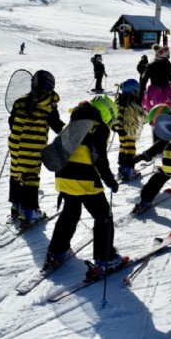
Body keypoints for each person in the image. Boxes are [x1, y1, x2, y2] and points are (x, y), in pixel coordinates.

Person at [43, 97, 123, 274]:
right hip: (84, 179)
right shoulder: (98, 127)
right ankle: (105, 259)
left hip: (63, 177)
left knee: (70, 213)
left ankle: (56, 252)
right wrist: (110, 180)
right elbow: (99, 158)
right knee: (103, 216)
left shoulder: (71, 125)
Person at [8, 70, 64, 226]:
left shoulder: (20, 101)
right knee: (30, 176)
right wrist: (70, 133)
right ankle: (30, 212)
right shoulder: (48, 104)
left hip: (15, 144)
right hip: (32, 147)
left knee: (16, 172)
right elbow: (56, 125)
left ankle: (16, 207)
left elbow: (11, 122)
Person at [113, 79, 148, 181]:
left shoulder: (118, 100)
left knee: (123, 147)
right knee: (131, 150)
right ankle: (129, 170)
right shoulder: (132, 103)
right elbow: (144, 115)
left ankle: (121, 168)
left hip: (120, 129)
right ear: (133, 91)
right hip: (130, 130)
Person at [139, 45, 171, 111]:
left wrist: (141, 96)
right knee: (164, 111)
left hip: (153, 92)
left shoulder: (151, 65)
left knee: (153, 111)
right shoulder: (167, 64)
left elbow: (144, 80)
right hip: (165, 92)